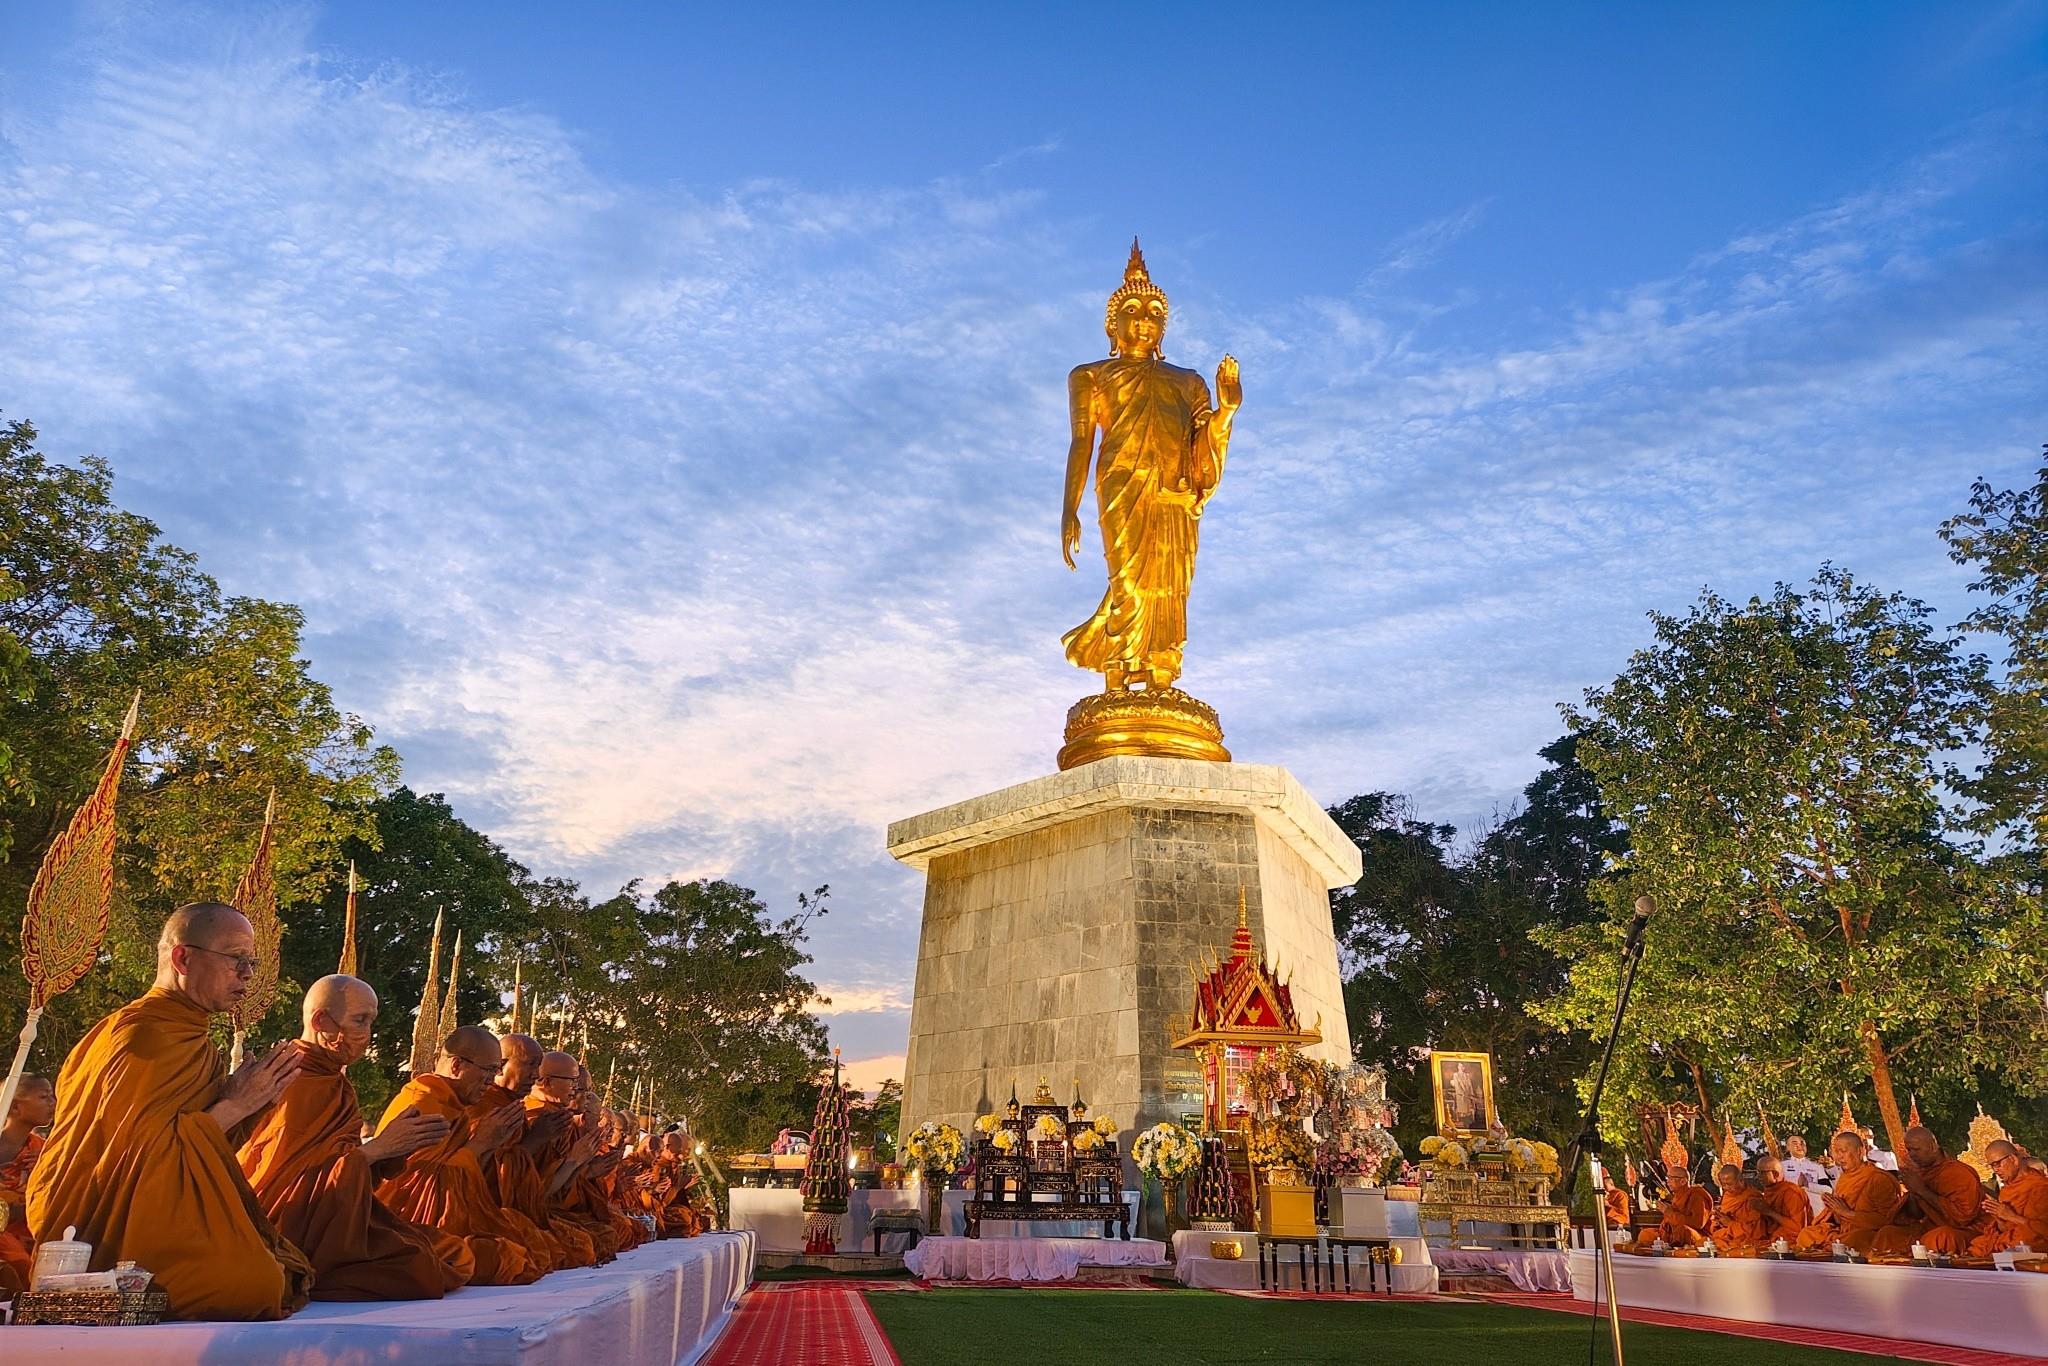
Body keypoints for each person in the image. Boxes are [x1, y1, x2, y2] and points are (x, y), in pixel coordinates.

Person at [26, 903, 314, 1319]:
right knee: (252, 1283)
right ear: (183, 958)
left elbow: (198, 1151)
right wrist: (235, 1105)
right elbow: (141, 1161)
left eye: (251, 962)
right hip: (110, 1228)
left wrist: (252, 1104)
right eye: (236, 958)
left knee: (277, 1269)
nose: (247, 973)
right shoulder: (144, 1038)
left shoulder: (195, 1041)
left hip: (159, 1209)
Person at [1060, 241, 1240, 691]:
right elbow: (1082, 441)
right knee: (1129, 578)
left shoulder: (1189, 382)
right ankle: (1119, 666)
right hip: (1121, 483)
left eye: (1155, 313)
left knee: (1170, 578)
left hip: (1174, 490)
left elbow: (1203, 443)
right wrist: (1069, 508)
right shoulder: (1090, 375)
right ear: (1113, 325)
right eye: (1133, 310)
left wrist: (1227, 410)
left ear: (1163, 330)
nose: (1144, 319)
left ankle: (1162, 667)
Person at [237, 976, 470, 1298]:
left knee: (447, 1251)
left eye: (371, 1021)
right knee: (420, 1268)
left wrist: (392, 1149)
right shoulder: (289, 1079)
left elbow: (340, 1171)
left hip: (335, 1217)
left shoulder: (334, 1081)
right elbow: (281, 1186)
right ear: (321, 1021)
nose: (368, 1034)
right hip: (287, 1225)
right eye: (360, 1020)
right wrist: (376, 1150)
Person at [374, 1026, 542, 1284]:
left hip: (447, 1220)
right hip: (405, 1222)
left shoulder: (457, 1108)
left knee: (523, 1243)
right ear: (456, 1066)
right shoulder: (424, 1103)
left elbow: (468, 1180)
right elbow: (414, 1185)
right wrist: (482, 1143)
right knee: (493, 1257)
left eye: (495, 1071)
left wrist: (489, 1146)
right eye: (488, 1070)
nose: (491, 1080)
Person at [470, 1033, 593, 1269]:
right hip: (482, 1213)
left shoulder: (519, 1110)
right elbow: (483, 1176)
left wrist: (583, 1164)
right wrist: (537, 1141)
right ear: (500, 1066)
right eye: (530, 1065)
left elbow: (537, 1186)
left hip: (521, 1212)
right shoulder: (486, 1108)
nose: (535, 1076)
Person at [1878, 1124, 1986, 1256]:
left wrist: (1922, 1190)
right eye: (1909, 1150)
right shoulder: (1922, 1174)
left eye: (1916, 1149)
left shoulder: (1959, 1173)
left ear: (1933, 1146)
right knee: (1888, 1234)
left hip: (1968, 1231)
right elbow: (1916, 1215)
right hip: (1931, 1227)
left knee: (1939, 1238)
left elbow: (1963, 1218)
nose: (1912, 1155)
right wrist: (1913, 1191)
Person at [1795, 1131, 1901, 1256]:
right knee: (1806, 1234)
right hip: (1843, 1230)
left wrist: (1847, 1213)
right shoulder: (1844, 1178)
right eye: (1836, 1152)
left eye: (1843, 1151)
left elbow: (1887, 1220)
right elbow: (1838, 1220)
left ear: (1860, 1151)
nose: (1839, 1157)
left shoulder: (1878, 1178)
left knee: (1852, 1241)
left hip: (1867, 1231)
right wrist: (1833, 1209)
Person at [0, 1074, 55, 1292]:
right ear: (15, 1107)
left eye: (52, 1096)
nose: (52, 1103)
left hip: (33, 1232)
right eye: (43, 1097)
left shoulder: (45, 1149)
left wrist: (46, 1168)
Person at [1970, 1140, 2048, 1256]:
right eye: (1992, 1165)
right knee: (1979, 1244)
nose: (1995, 1170)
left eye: (1997, 1164)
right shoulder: (2007, 1190)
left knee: (2025, 1242)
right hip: (2014, 1239)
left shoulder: (2041, 1187)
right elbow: (2007, 1229)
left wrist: (2012, 1216)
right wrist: (1999, 1219)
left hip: (2033, 1240)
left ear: (2013, 1159)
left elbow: (2044, 1230)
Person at [1710, 1164, 1769, 1253]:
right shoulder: (1727, 1196)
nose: (1727, 1188)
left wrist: (1730, 1223)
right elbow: (1719, 1224)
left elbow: (1756, 1231)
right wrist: (1717, 1223)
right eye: (1723, 1184)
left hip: (1745, 1241)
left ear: (1741, 1180)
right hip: (1727, 1238)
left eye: (1730, 1184)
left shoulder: (1753, 1198)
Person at [1754, 1156, 1812, 1243]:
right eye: (1757, 1172)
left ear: (1775, 1174)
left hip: (1793, 1242)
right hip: (1774, 1238)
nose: (1757, 1177)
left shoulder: (1791, 1193)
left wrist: (1769, 1212)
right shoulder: (1770, 1190)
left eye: (1761, 1173)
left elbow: (1797, 1228)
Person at [1654, 1164, 1714, 1248]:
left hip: (1697, 1235)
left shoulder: (1697, 1196)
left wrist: (1668, 1212)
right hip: (1673, 1233)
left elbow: (1698, 1224)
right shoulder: (1677, 1196)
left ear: (1683, 1181)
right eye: (1667, 1178)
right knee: (1645, 1234)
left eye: (1671, 1178)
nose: (1667, 1181)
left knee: (1682, 1230)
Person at [1780, 1135, 1831, 1213]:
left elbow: (1828, 1189)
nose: (1799, 1146)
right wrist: (1796, 1184)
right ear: (1788, 1147)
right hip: (1790, 1210)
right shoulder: (1781, 1166)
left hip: (1815, 1211)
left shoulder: (1817, 1166)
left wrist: (1808, 1185)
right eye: (1795, 1143)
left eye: (1802, 1143)